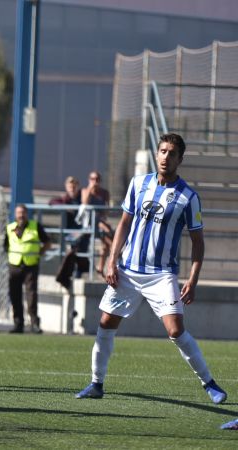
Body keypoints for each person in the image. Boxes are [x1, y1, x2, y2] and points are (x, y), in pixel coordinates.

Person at [75, 133, 227, 404]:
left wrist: (193, 279)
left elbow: (198, 242)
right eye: (162, 151)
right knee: (106, 322)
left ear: (181, 159)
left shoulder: (188, 197)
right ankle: (96, 383)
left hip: (161, 274)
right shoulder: (138, 184)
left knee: (175, 330)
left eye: (171, 153)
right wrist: (112, 259)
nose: (165, 157)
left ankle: (210, 384)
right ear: (156, 154)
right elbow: (123, 224)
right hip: (129, 271)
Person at [4, 204, 51, 334]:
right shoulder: (9, 228)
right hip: (14, 265)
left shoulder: (35, 226)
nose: (21, 215)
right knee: (15, 295)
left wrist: (39, 253)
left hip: (31, 265)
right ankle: (18, 324)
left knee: (31, 295)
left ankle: (34, 324)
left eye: (23, 213)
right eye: (19, 213)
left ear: (27, 214)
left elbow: (47, 243)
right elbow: (6, 246)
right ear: (15, 215)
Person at [52, 176, 89, 291]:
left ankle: (78, 272)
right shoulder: (65, 199)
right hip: (69, 232)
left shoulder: (81, 199)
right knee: (71, 252)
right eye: (70, 186)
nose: (72, 188)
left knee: (80, 250)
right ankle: (70, 273)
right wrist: (66, 207)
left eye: (74, 186)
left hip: (81, 230)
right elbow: (52, 202)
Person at [81, 170, 113, 276]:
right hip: (90, 222)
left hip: (101, 221)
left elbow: (107, 209)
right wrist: (90, 189)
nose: (95, 181)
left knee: (105, 246)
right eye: (93, 179)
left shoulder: (104, 193)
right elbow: (84, 203)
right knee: (108, 231)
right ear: (89, 180)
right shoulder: (85, 191)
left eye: (97, 179)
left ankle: (100, 266)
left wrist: (103, 215)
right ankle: (116, 252)